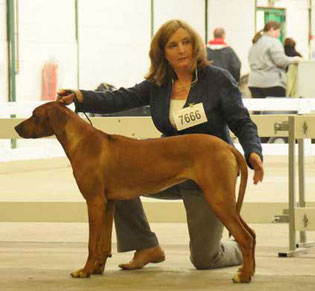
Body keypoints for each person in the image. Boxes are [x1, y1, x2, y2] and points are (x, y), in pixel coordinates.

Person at [57, 19, 264, 271]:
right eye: (173, 45)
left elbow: (242, 121)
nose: (181, 50)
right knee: (116, 179)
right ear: (162, 53)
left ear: (195, 45)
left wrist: (253, 151)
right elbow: (121, 97)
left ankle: (241, 247)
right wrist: (80, 96)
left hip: (209, 170)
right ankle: (145, 246)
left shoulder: (217, 80)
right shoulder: (159, 83)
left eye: (186, 42)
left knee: (204, 259)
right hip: (169, 168)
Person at [248, 21, 301, 99]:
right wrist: (295, 59)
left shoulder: (255, 43)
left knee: (259, 110)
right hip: (272, 83)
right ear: (272, 29)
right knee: (275, 110)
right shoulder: (274, 42)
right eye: (279, 31)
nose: (279, 34)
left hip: (254, 83)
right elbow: (280, 61)